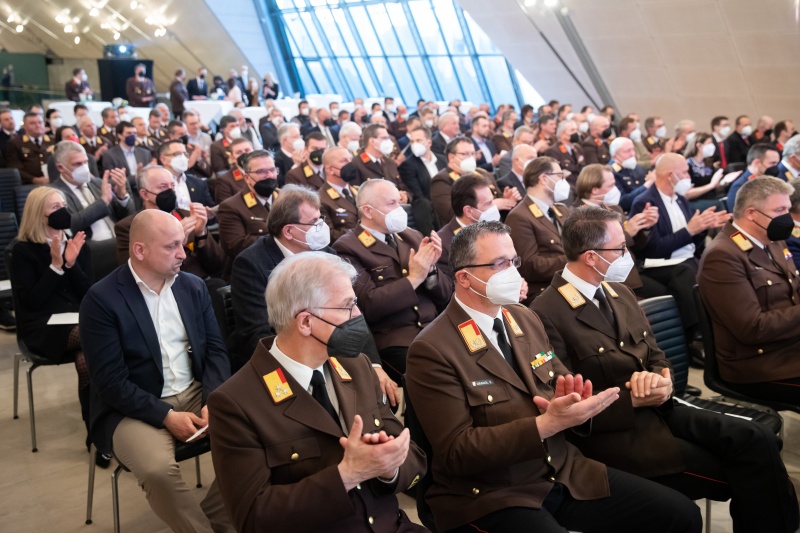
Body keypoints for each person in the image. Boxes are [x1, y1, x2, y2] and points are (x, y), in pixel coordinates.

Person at [405, 221, 702, 533]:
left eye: (514, 261)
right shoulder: (433, 348)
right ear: (464, 277)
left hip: (561, 470)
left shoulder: (523, 317)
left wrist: (581, 404)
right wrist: (544, 425)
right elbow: (457, 452)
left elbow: (562, 387)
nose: (513, 272)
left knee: (679, 514)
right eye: (500, 264)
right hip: (492, 492)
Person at [533, 206, 800, 533]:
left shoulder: (618, 291)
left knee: (758, 438)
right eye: (620, 248)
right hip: (618, 433)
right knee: (751, 470)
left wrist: (662, 380)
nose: (627, 255)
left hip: (660, 409)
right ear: (591, 257)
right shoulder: (545, 313)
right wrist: (633, 399)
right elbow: (564, 403)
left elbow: (655, 353)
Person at [209, 252, 426, 532]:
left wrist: (389, 468)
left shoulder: (357, 366)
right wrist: (346, 475)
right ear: (305, 322)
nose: (358, 315)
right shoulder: (236, 402)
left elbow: (414, 458)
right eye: (347, 306)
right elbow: (253, 519)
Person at [80, 209, 232, 533]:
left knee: (257, 436)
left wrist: (213, 399)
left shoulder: (192, 287)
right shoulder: (101, 300)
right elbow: (110, 382)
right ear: (140, 250)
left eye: (183, 243)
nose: (183, 253)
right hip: (132, 405)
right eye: (171, 246)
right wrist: (165, 416)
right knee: (157, 471)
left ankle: (213, 524)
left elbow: (216, 351)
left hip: (194, 391)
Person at [332, 179, 452, 382]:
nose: (400, 209)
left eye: (399, 201)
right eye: (391, 204)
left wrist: (431, 270)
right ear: (368, 211)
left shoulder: (411, 236)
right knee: (440, 375)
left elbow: (446, 295)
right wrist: (414, 278)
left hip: (435, 329)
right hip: (396, 340)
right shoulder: (348, 247)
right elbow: (368, 305)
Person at [698, 176, 800, 405]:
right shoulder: (723, 256)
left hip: (789, 346)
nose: (788, 218)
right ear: (752, 213)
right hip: (759, 364)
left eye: (788, 209)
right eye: (780, 210)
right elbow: (752, 328)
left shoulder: (772, 240)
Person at [11, 187, 96, 459]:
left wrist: (71, 264)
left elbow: (88, 293)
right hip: (41, 326)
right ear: (39, 214)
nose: (63, 211)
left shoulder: (77, 244)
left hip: (76, 320)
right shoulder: (22, 251)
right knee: (96, 337)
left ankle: (96, 434)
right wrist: (55, 266)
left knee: (86, 359)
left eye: (63, 204)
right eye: (54, 207)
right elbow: (33, 302)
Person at [630, 153, 729, 352]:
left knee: (716, 265)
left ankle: (721, 328)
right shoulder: (645, 202)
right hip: (657, 264)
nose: (688, 177)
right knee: (685, 272)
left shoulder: (681, 199)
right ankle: (697, 336)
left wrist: (702, 229)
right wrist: (690, 230)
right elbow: (653, 249)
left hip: (686, 259)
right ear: (671, 175)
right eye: (684, 172)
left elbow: (691, 244)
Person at [114, 166, 226, 286]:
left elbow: (218, 265)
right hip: (164, 287)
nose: (170, 191)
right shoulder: (130, 227)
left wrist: (201, 235)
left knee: (218, 285)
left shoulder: (187, 215)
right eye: (163, 187)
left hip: (201, 282)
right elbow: (133, 274)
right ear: (145, 194)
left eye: (172, 186)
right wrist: (173, 242)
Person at [573, 164, 660, 295]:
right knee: (666, 291)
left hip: (634, 267)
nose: (616, 190)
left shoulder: (614, 208)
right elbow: (597, 251)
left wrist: (644, 227)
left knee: (680, 275)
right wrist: (627, 233)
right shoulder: (577, 215)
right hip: (610, 278)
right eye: (611, 186)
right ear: (595, 189)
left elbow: (636, 246)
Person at [505, 156, 572, 303]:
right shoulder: (519, 216)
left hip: (569, 282)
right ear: (544, 179)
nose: (563, 181)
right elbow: (529, 266)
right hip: (546, 290)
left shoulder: (561, 210)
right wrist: (574, 261)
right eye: (559, 176)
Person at [50, 140, 134, 243]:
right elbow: (69, 225)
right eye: (77, 164)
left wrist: (122, 196)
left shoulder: (98, 183)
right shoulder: (54, 193)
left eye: (85, 162)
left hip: (119, 239)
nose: (84, 167)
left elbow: (126, 216)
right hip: (91, 248)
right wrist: (102, 202)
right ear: (60, 168)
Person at [431, 136, 519, 225]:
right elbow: (449, 213)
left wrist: (505, 199)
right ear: (451, 157)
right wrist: (491, 206)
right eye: (465, 154)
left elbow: (498, 200)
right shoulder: (441, 180)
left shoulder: (483, 173)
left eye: (473, 154)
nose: (470, 158)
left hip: (494, 226)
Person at [217, 150, 279, 261]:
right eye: (261, 171)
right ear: (246, 178)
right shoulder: (231, 207)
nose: (269, 175)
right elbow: (236, 247)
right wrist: (281, 238)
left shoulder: (286, 198)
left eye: (272, 170)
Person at [318, 147, 360, 242]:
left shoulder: (358, 191)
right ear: (330, 169)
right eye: (344, 161)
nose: (350, 164)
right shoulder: (321, 199)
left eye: (350, 159)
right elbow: (329, 235)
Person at [100, 121, 153, 193]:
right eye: (129, 133)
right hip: (124, 192)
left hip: (144, 191)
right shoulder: (110, 155)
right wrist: (136, 177)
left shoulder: (145, 153)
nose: (133, 136)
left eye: (134, 133)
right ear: (120, 135)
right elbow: (112, 181)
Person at [725, 143, 782, 210]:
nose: (776, 167)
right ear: (756, 163)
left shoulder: (770, 182)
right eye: (772, 163)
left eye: (777, 163)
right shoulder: (740, 188)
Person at [6, 112, 54, 185]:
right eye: (32, 123)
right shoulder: (15, 143)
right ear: (25, 126)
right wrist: (33, 179)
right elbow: (15, 167)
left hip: (52, 182)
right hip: (28, 184)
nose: (37, 125)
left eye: (40, 122)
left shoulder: (53, 141)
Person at [214, 138, 253, 204]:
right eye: (239, 152)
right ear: (232, 158)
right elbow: (226, 207)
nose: (244, 154)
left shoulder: (265, 171)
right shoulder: (225, 181)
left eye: (247, 150)